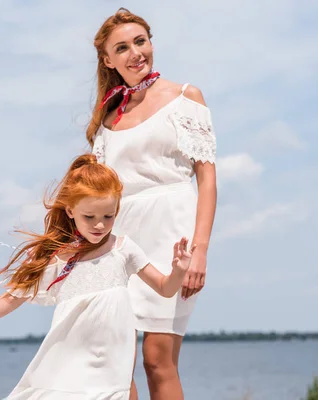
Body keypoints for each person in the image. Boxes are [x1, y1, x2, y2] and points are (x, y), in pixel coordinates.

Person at [0, 154, 196, 400]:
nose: (99, 225)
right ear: (70, 210)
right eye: (89, 217)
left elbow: (165, 288)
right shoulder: (58, 258)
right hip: (70, 357)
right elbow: (13, 297)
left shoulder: (123, 248)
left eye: (108, 216)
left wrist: (179, 270)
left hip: (113, 360)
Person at [87, 8, 218, 400]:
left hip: (172, 236)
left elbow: (207, 181)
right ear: (108, 60)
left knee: (158, 360)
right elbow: (96, 194)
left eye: (140, 42)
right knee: (114, 362)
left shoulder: (185, 97)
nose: (135, 54)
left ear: (151, 43)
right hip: (119, 244)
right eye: (122, 48)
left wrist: (200, 252)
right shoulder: (107, 118)